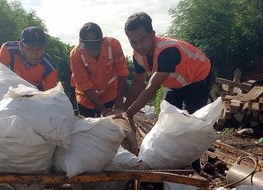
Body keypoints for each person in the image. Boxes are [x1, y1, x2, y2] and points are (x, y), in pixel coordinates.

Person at [120, 12, 214, 172]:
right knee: (169, 118)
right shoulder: (138, 56)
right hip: (177, 83)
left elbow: (152, 86)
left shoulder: (168, 51)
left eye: (142, 39)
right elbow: (138, 82)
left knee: (192, 122)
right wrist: (124, 110)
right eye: (133, 42)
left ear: (153, 35)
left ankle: (194, 167)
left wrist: (128, 114)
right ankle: (173, 159)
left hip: (198, 79)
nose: (138, 45)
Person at [70, 22, 129, 117]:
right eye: (88, 49)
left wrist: (119, 100)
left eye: (95, 48)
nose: (92, 52)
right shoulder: (76, 55)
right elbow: (83, 84)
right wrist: (102, 110)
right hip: (86, 98)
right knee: (87, 128)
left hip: (109, 94)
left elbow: (122, 73)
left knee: (111, 126)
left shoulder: (114, 46)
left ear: (102, 41)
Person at [0, 26, 58, 91]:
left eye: (40, 48)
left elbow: (50, 95)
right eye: (30, 48)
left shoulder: (50, 68)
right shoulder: (8, 50)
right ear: (21, 45)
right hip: (9, 87)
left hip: (34, 94)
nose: (35, 52)